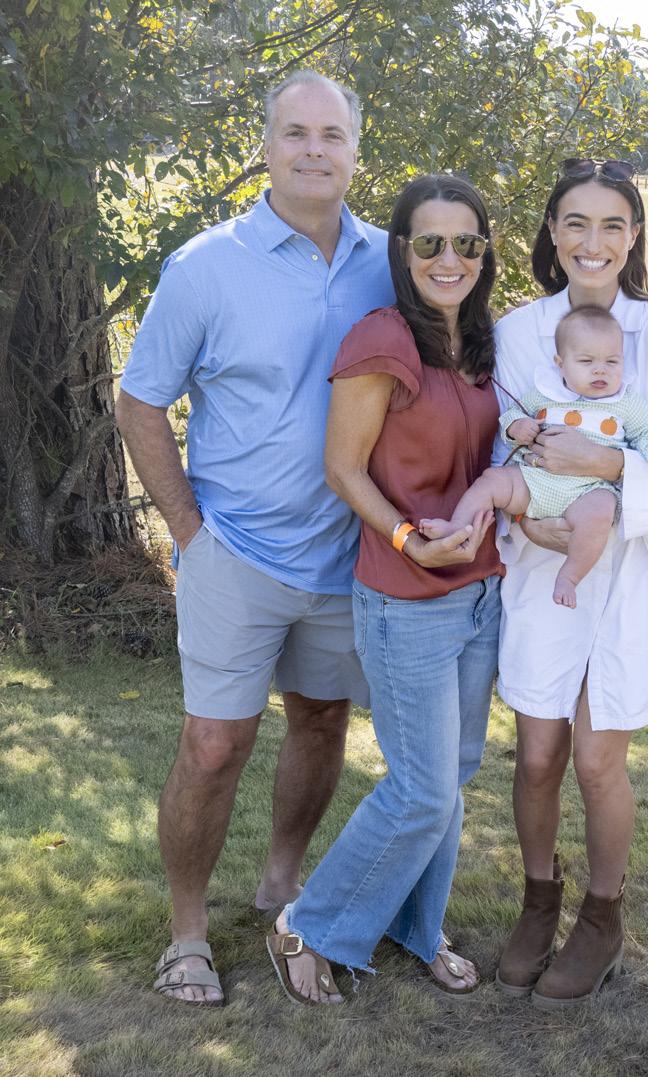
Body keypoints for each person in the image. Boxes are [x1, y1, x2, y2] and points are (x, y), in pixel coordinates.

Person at [116, 70, 395, 1006]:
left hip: (347, 555)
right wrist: (188, 530)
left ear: (355, 149)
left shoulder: (391, 262)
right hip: (233, 549)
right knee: (212, 743)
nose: (314, 149)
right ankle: (186, 933)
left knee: (321, 722)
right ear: (266, 146)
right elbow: (140, 399)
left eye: (332, 134)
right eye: (295, 133)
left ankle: (281, 882)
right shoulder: (207, 265)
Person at [264, 173, 503, 1005]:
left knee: (451, 778)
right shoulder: (383, 337)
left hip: (480, 593)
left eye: (465, 242)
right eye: (428, 242)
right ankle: (305, 923)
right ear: (402, 251)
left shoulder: (480, 343)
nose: (448, 258)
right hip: (405, 598)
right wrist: (407, 537)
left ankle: (415, 926)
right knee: (421, 789)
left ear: (485, 252)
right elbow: (342, 467)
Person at [491, 159, 648, 1009]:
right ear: (552, 232)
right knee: (538, 754)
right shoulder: (518, 331)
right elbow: (497, 444)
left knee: (595, 758)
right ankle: (537, 899)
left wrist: (606, 464)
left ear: (633, 236)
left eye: (613, 224)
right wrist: (526, 521)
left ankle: (600, 915)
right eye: (576, 223)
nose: (593, 241)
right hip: (543, 567)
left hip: (631, 570)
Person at [420, 305, 648, 607]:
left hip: (587, 490)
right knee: (491, 480)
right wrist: (518, 427)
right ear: (561, 364)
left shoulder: (625, 402)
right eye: (586, 361)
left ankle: (570, 576)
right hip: (534, 481)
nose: (601, 370)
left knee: (602, 510)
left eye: (612, 361)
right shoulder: (545, 393)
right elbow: (511, 415)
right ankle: (458, 526)